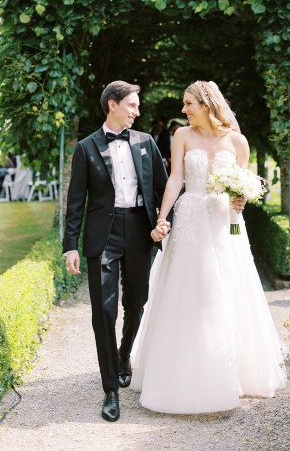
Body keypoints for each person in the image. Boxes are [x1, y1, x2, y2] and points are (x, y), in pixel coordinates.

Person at [130, 80, 287, 414]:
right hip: (190, 219)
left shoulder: (237, 141)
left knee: (227, 289)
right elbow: (175, 179)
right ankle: (179, 371)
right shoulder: (182, 136)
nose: (184, 110)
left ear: (206, 104)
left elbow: (241, 184)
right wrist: (162, 218)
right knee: (189, 291)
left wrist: (240, 198)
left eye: (189, 104)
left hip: (224, 222)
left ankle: (231, 371)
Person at [63, 81, 170, 422]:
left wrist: (164, 222)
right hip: (103, 236)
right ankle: (110, 388)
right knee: (104, 312)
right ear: (113, 104)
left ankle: (124, 357)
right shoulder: (86, 148)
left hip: (139, 229)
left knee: (137, 302)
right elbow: (75, 203)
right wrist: (70, 246)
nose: (137, 112)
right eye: (132, 106)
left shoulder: (146, 142)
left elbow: (163, 188)